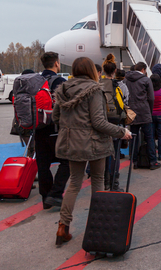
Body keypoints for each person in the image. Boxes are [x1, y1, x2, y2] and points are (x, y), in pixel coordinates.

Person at [52, 57, 131, 246]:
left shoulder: (63, 90)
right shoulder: (94, 90)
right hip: (95, 144)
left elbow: (56, 117)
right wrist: (122, 132)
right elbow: (99, 122)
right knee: (98, 181)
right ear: (91, 71)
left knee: (73, 185)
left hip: (72, 144)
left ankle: (63, 226)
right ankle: (99, 223)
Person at [35, 52, 70, 209]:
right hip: (56, 129)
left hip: (39, 128)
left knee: (43, 164)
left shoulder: (36, 81)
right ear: (56, 63)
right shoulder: (60, 81)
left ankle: (45, 199)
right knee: (67, 161)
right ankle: (55, 193)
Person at [125, 62, 160, 169]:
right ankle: (152, 161)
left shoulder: (126, 80)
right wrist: (149, 110)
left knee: (133, 137)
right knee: (149, 137)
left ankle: (134, 161)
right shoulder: (146, 80)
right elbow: (151, 98)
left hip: (132, 112)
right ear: (143, 69)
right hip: (144, 111)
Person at [100, 54, 125, 191]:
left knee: (103, 153)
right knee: (114, 152)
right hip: (115, 120)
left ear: (103, 70)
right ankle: (114, 183)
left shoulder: (98, 85)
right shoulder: (118, 85)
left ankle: (105, 181)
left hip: (101, 120)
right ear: (115, 71)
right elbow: (122, 105)